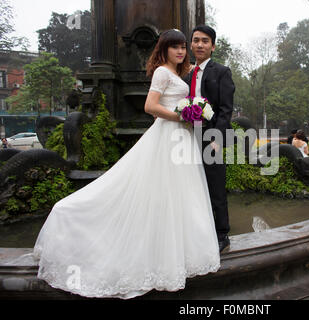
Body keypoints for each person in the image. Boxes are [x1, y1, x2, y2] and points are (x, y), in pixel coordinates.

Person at [31, 29, 220, 299]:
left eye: (182, 47)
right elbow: (150, 106)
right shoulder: (162, 73)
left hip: (181, 139)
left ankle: (173, 251)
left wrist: (194, 111)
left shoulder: (178, 74)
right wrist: (182, 115)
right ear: (163, 49)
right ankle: (74, 220)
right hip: (168, 136)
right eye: (174, 47)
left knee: (176, 195)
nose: (180, 51)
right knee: (158, 189)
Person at [185, 25, 235, 253]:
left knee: (215, 184)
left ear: (212, 46)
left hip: (211, 136)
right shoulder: (187, 74)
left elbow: (226, 109)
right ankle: (198, 230)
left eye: (205, 41)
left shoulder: (221, 72)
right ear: (191, 44)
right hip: (187, 137)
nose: (200, 45)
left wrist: (218, 138)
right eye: (196, 40)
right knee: (192, 184)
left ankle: (222, 233)